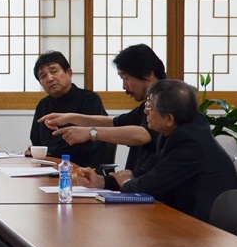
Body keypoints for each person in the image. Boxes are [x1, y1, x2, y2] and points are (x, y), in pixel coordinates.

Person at [79, 79, 237, 223]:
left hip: (207, 227)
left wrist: (127, 182)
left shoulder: (190, 143)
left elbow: (148, 186)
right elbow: (146, 172)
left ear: (169, 118)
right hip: (183, 215)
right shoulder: (176, 129)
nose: (146, 111)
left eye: (150, 106)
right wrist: (102, 181)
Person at [39, 43, 165, 177]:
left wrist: (90, 132)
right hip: (136, 181)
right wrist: (70, 118)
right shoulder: (148, 102)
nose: (124, 86)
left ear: (148, 74)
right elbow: (114, 122)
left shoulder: (166, 99)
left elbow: (143, 134)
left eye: (126, 78)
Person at [28, 51, 109, 167]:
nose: (50, 78)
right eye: (43, 76)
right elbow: (36, 140)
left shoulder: (89, 99)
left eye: (54, 71)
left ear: (69, 73)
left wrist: (50, 152)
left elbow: (91, 144)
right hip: (48, 166)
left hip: (83, 167)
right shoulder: (43, 105)